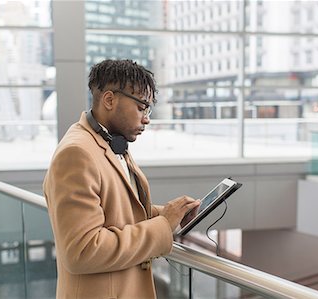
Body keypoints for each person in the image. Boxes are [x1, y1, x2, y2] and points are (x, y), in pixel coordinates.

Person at [43, 59, 200, 299]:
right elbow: (82, 251)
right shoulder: (77, 154)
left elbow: (118, 212)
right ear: (109, 100)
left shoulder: (111, 142)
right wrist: (162, 226)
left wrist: (170, 214)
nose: (146, 118)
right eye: (141, 107)